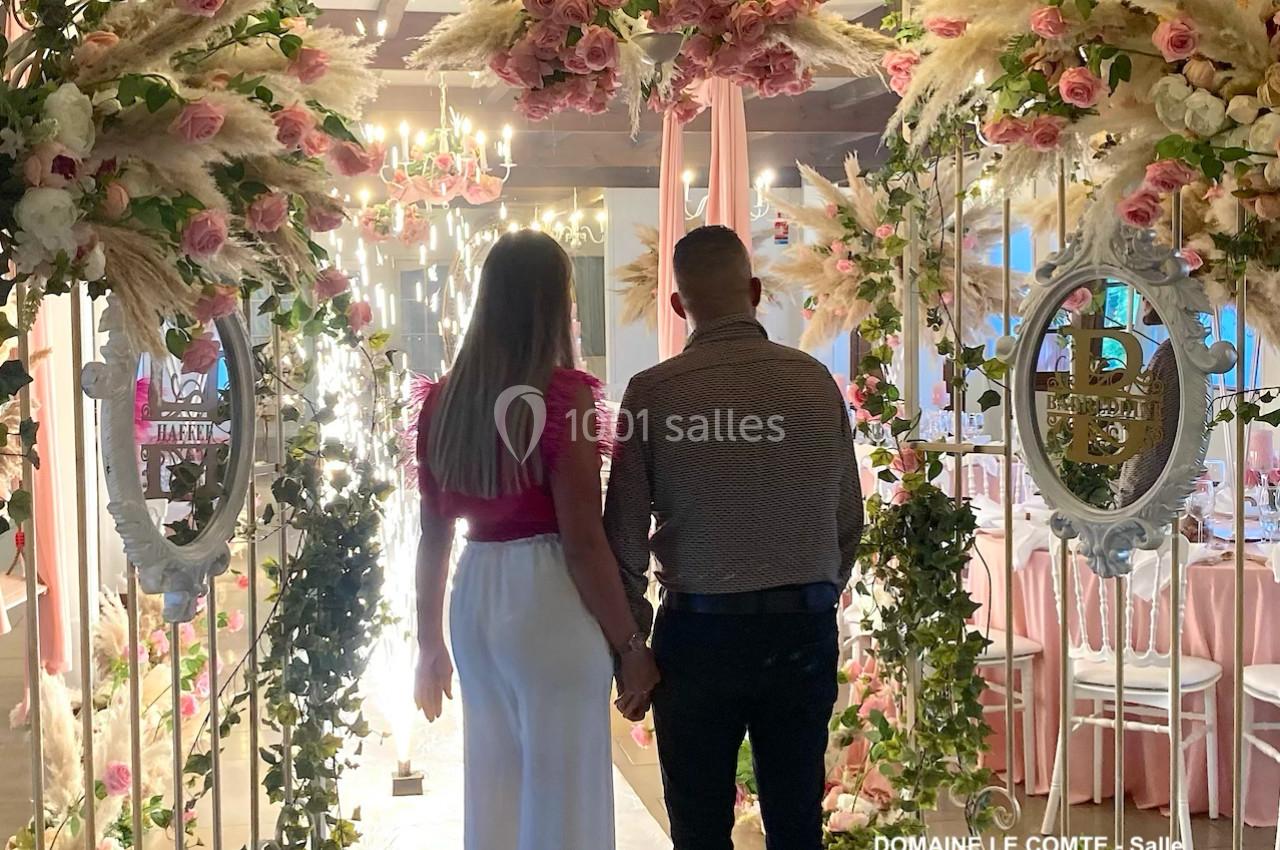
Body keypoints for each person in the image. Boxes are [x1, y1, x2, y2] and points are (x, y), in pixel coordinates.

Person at [603, 225, 864, 850]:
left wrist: (631, 644)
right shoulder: (813, 384)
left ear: (676, 305)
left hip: (699, 636)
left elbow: (624, 537)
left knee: (698, 827)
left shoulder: (652, 393)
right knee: (798, 821)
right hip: (799, 627)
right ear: (754, 292)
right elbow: (846, 519)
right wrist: (813, 585)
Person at [413, 230, 660, 850]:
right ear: (552, 301)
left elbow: (432, 535)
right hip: (547, 593)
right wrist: (630, 642)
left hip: (475, 597)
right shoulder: (562, 396)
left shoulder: (442, 402)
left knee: (495, 782)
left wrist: (428, 645)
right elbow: (582, 540)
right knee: (565, 786)